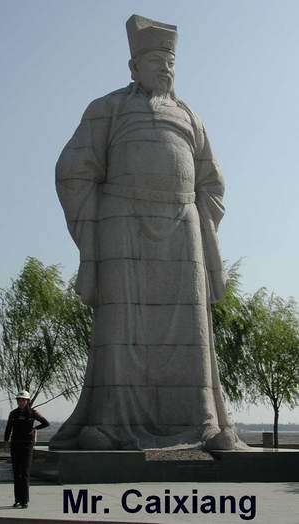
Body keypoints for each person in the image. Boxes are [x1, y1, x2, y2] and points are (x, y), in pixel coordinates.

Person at [50, 14, 241, 451]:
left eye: (170, 61)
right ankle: (112, 425)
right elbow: (73, 170)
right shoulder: (108, 109)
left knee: (190, 330)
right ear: (134, 67)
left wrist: (200, 217)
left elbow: (212, 181)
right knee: (122, 324)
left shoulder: (190, 116)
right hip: (123, 227)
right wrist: (101, 221)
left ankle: (203, 424)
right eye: (155, 60)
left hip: (182, 228)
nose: (165, 68)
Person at [4, 390, 49, 508]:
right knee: (16, 473)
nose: (21, 402)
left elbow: (45, 423)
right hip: (15, 445)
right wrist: (6, 441)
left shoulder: (33, 413)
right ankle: (17, 499)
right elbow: (8, 429)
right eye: (19, 400)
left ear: (27, 401)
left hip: (27, 446)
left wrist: (35, 428)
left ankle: (25, 501)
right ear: (17, 401)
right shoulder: (13, 413)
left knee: (24, 473)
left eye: (23, 400)